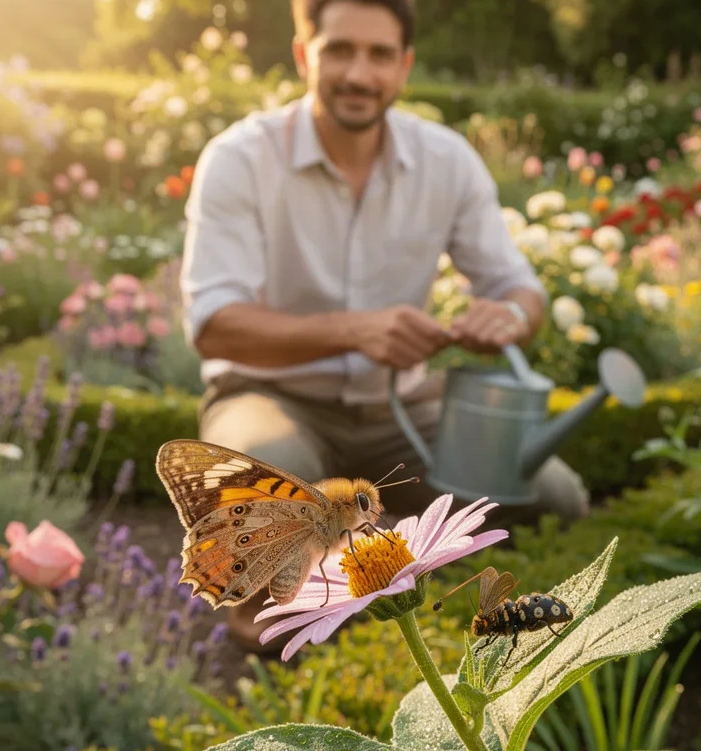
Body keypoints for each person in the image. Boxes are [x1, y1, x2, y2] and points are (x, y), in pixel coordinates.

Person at [178, 0, 591, 652]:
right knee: (275, 465)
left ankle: (377, 554)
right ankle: (269, 634)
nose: (358, 73)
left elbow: (522, 290)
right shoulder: (239, 158)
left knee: (556, 493)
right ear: (302, 54)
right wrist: (353, 330)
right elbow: (214, 324)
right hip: (271, 397)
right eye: (339, 50)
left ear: (404, 66)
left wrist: (507, 316)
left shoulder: (445, 161)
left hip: (403, 410)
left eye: (377, 55)